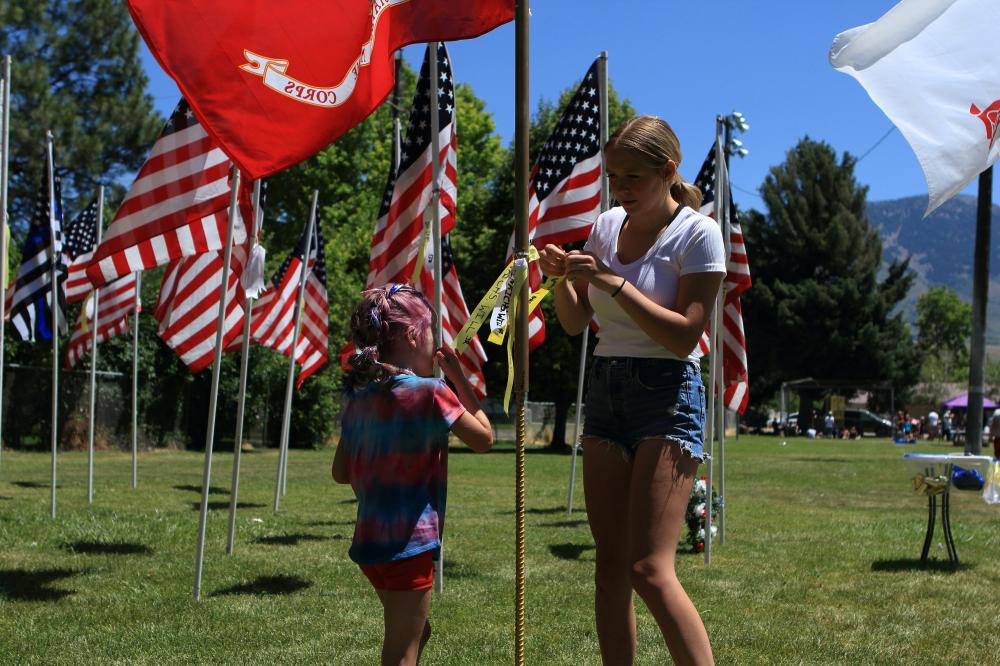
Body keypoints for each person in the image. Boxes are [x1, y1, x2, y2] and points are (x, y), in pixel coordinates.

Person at [539, 115, 723, 665]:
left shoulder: (698, 233)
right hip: (605, 389)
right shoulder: (605, 226)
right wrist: (560, 279)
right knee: (610, 564)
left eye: (633, 177)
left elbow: (685, 333)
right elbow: (574, 324)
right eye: (614, 177)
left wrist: (612, 282)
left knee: (649, 568)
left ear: (669, 171)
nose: (620, 188)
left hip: (668, 391)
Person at [332, 284, 493, 666]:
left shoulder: (360, 398)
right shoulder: (433, 392)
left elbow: (340, 472)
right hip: (410, 546)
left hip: (370, 544)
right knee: (401, 651)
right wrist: (458, 377)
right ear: (413, 335)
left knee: (417, 632)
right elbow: (484, 438)